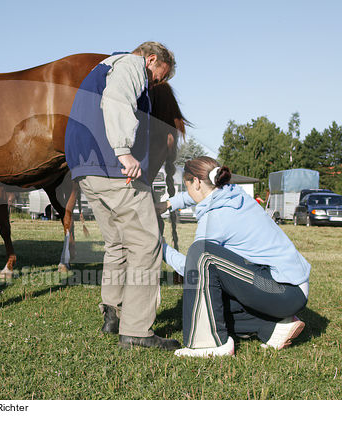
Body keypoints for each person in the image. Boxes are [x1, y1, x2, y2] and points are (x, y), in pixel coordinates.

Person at [65, 42, 180, 351]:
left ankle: (112, 313)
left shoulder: (103, 67)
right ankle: (137, 330)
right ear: (152, 59)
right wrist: (124, 152)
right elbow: (116, 101)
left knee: (117, 242)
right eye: (158, 76)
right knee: (146, 243)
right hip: (114, 168)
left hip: (86, 168)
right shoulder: (130, 66)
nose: (156, 83)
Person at [158, 157, 309, 357]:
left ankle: (211, 344)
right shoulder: (230, 193)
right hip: (290, 288)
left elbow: (192, 270)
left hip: (282, 291)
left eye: (189, 185)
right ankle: (272, 327)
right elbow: (193, 196)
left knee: (201, 254)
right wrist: (168, 203)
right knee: (213, 306)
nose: (189, 194)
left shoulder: (216, 218)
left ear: (196, 182)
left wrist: (160, 247)